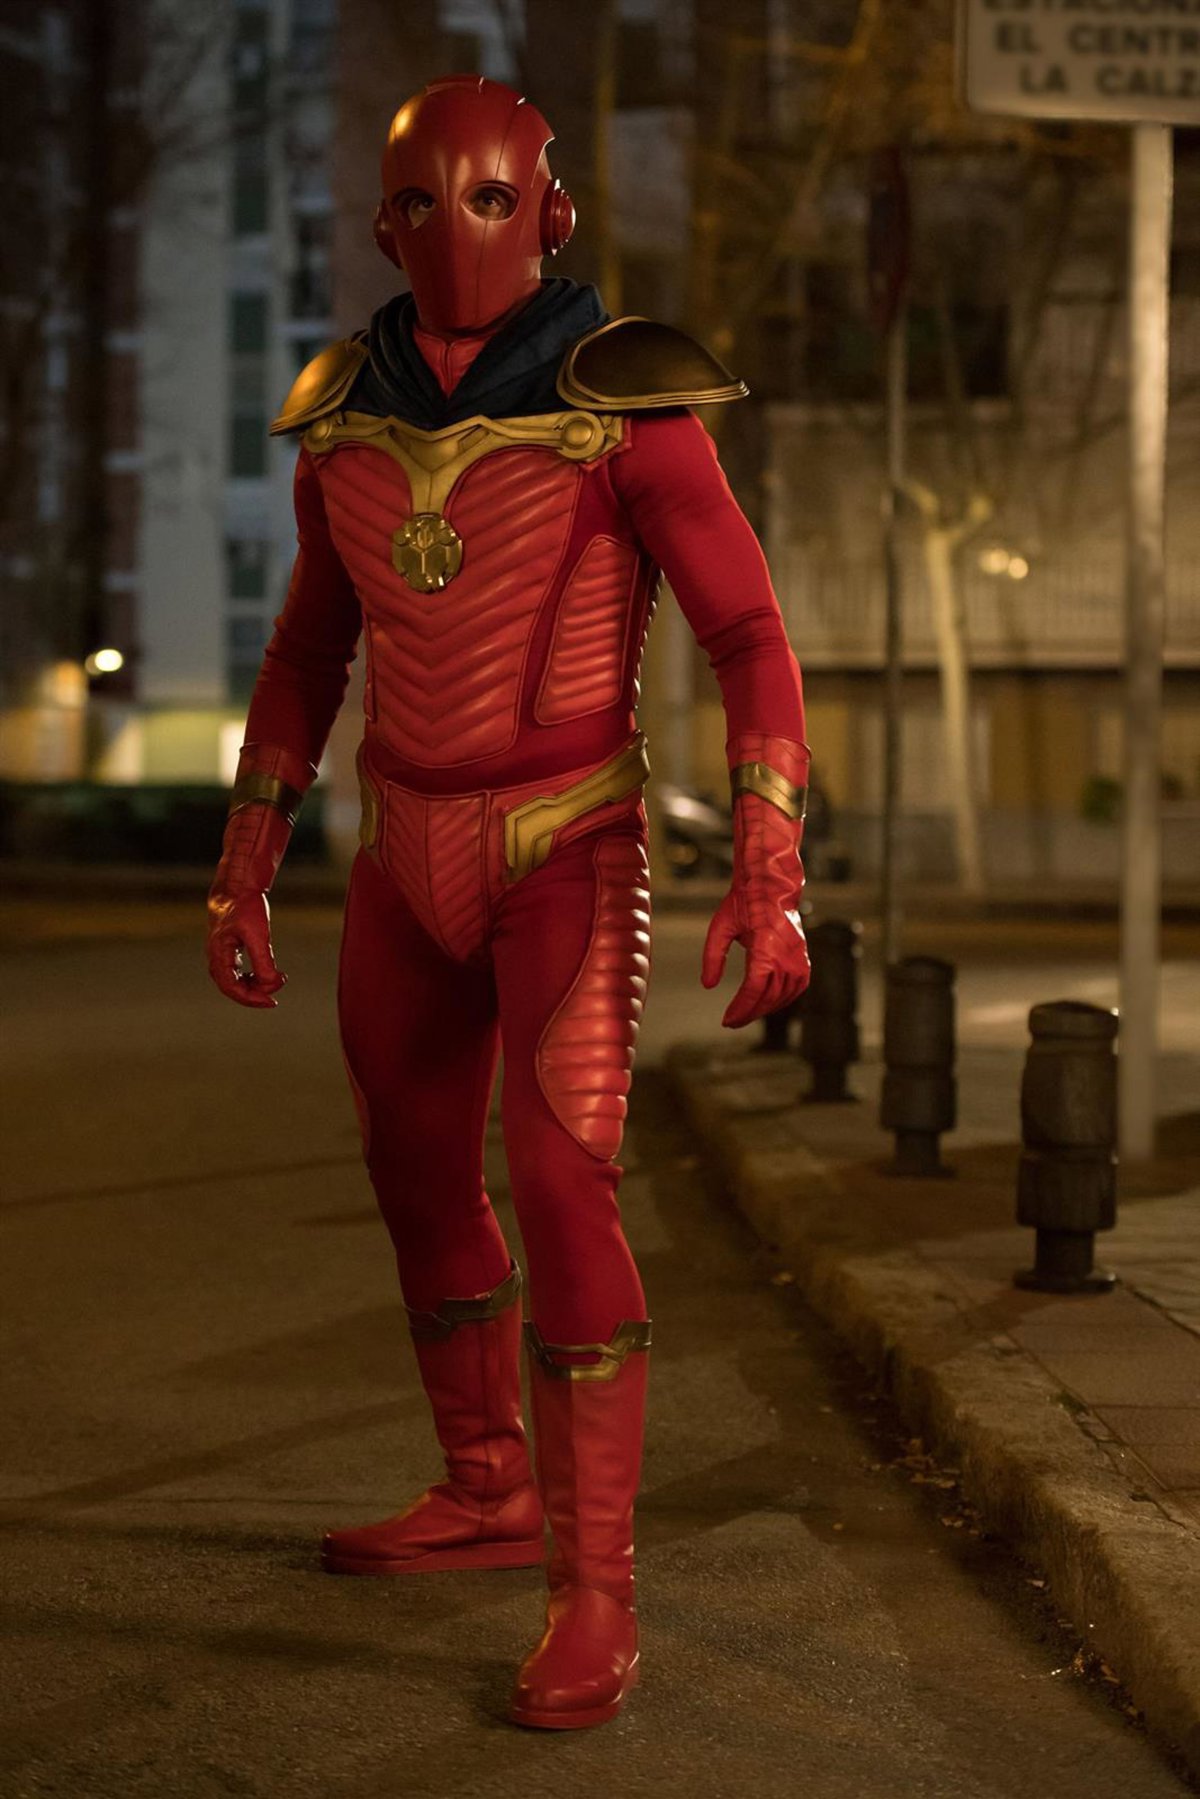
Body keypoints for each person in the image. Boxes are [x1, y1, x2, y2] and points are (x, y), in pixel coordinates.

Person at [206, 73, 810, 1732]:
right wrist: (247, 858)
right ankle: (485, 1485)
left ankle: (595, 1591)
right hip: (403, 851)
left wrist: (771, 868)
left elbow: (750, 637)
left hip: (567, 842)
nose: (454, 232)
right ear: (381, 222)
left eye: (487, 200)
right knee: (414, 1170)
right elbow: (307, 652)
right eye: (419, 204)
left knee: (561, 1187)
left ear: (550, 213)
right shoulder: (344, 412)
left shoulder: (629, 403)